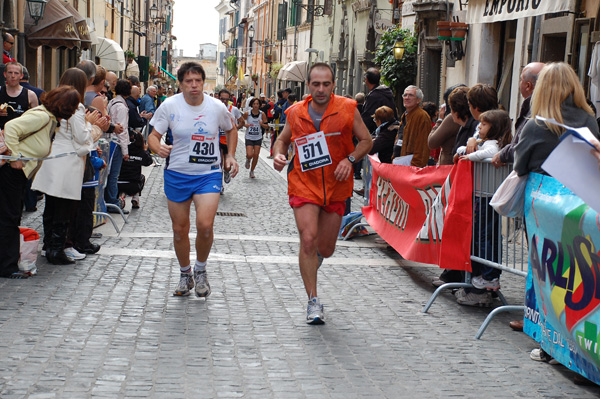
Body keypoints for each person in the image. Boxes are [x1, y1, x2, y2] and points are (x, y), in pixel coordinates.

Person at [513, 62, 600, 367]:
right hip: (583, 208)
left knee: (548, 278)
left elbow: (519, 165)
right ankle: (577, 351)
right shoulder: (589, 121)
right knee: (578, 280)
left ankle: (552, 346)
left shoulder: (537, 125)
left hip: (543, 210)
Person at [272, 62, 373, 324]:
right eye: (315, 84)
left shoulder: (348, 108)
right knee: (308, 238)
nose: (320, 89)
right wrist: (278, 155)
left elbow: (366, 141)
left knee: (325, 249)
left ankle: (314, 258)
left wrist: (349, 160)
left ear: (333, 85)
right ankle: (313, 301)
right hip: (304, 185)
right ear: (308, 86)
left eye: (325, 84)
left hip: (336, 186)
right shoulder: (295, 112)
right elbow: (283, 139)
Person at [148, 61, 239, 298]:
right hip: (177, 174)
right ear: (180, 84)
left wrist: (230, 155)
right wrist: (158, 148)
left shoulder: (217, 107)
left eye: (198, 80)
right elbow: (153, 136)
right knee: (179, 230)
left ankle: (200, 269)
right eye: (188, 81)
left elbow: (231, 128)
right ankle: (184, 273)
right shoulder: (169, 106)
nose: (194, 85)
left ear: (203, 82)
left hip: (208, 173)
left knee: (205, 225)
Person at [0, 86, 81, 278]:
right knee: (9, 218)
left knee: (10, 217)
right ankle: (6, 266)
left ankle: (7, 263)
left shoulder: (49, 119)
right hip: (11, 172)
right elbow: (11, 127)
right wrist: (16, 157)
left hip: (17, 174)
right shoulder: (43, 117)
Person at [33, 68, 95, 264]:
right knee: (64, 207)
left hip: (52, 157)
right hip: (68, 161)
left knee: (51, 205)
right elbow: (81, 136)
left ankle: (49, 245)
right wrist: (91, 126)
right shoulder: (76, 107)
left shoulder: (54, 101)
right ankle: (56, 250)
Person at [492, 62, 545, 168]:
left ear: (528, 85)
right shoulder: (534, 109)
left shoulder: (537, 112)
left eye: (521, 80)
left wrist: (503, 154)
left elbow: (523, 147)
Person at [106, 79, 132, 213]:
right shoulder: (121, 107)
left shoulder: (112, 102)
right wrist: (125, 150)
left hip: (111, 141)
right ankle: (112, 202)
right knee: (114, 175)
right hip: (116, 144)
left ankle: (110, 200)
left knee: (110, 174)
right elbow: (122, 130)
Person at [393, 85, 432, 167]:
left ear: (418, 100)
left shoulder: (422, 116)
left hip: (411, 166)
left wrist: (415, 166)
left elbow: (422, 146)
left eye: (411, 95)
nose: (407, 98)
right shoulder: (406, 114)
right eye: (405, 95)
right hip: (401, 162)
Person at [428, 84, 464, 166]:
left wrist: (440, 119)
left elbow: (432, 142)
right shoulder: (471, 117)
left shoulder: (452, 118)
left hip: (448, 166)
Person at [118, 130, 153, 208]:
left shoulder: (123, 151)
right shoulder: (141, 152)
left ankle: (122, 195)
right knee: (142, 177)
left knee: (124, 184)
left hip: (119, 182)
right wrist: (145, 150)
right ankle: (136, 198)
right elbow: (149, 162)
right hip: (133, 185)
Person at [218, 89, 244, 192]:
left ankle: (227, 171)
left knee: (227, 166)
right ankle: (220, 185)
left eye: (226, 99)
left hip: (228, 142)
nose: (224, 101)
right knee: (218, 163)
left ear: (229, 99)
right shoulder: (216, 109)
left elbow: (242, 121)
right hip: (218, 140)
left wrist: (234, 130)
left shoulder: (234, 109)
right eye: (222, 99)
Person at [0, 62, 39, 129]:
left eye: (16, 73)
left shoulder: (30, 95)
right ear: (4, 74)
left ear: (21, 76)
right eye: (10, 72)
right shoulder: (0, 91)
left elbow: (37, 119)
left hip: (21, 135)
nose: (13, 76)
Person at [361, 67, 397, 134]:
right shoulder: (386, 93)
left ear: (366, 80)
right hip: (388, 131)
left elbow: (367, 118)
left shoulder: (374, 96)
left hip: (378, 133)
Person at [243, 97, 269, 178]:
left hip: (258, 137)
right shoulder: (247, 113)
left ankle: (252, 170)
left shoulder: (262, 114)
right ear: (251, 105)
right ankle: (248, 159)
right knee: (250, 154)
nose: (256, 105)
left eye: (257, 104)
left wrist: (262, 125)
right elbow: (241, 121)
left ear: (259, 105)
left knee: (256, 155)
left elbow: (267, 126)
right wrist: (245, 124)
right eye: (254, 104)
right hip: (249, 137)